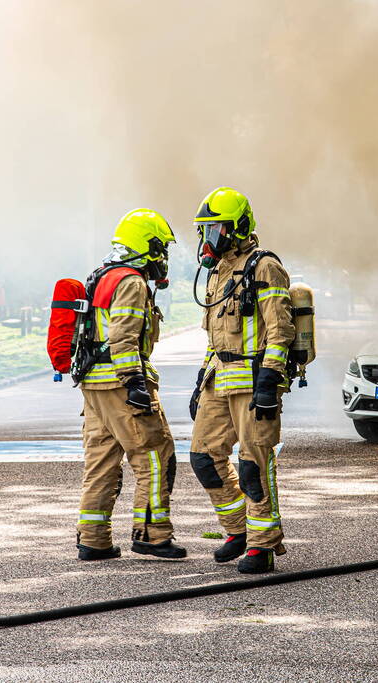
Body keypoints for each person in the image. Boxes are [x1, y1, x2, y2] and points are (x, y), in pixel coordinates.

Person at [188, 187, 295, 574]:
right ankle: (238, 530)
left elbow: (281, 330)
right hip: (220, 379)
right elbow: (215, 336)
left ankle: (263, 545)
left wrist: (269, 381)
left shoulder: (264, 266)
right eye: (204, 230)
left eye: (214, 229)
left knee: (254, 464)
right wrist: (202, 379)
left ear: (237, 227)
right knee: (203, 457)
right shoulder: (217, 272)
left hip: (254, 381)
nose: (207, 239)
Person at [75, 208, 185, 561]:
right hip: (122, 386)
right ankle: (152, 535)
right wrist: (135, 381)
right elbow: (123, 337)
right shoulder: (131, 282)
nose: (162, 257)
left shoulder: (102, 275)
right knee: (155, 456)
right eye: (160, 248)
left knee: (101, 462)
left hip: (94, 387)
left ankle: (94, 539)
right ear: (145, 244)